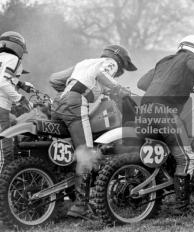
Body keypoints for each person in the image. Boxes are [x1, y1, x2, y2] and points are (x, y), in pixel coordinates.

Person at [137, 35, 194, 215]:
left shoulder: (164, 61)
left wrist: (177, 85)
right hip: (164, 111)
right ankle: (182, 207)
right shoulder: (191, 58)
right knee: (187, 158)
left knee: (165, 151)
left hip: (144, 110)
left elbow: (142, 84)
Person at [51, 45, 137, 218]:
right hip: (75, 104)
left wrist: (71, 90)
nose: (119, 72)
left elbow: (54, 80)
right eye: (122, 69)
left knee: (71, 150)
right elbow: (102, 74)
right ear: (118, 61)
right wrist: (119, 88)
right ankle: (80, 206)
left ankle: (63, 191)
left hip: (58, 104)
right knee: (87, 154)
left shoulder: (85, 63)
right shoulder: (108, 63)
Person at [0, 31, 33, 225]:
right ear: (18, 47)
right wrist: (20, 99)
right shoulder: (14, 59)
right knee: (6, 156)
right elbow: (4, 83)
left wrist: (22, 84)